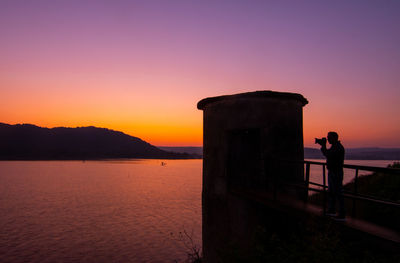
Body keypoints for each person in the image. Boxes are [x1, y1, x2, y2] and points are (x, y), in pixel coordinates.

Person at [318, 131, 346, 221]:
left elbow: (328, 155)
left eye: (329, 137)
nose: (327, 139)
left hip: (336, 172)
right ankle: (332, 210)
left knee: (338, 193)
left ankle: (341, 214)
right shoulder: (335, 147)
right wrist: (323, 146)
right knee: (332, 192)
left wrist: (323, 146)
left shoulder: (338, 148)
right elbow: (327, 154)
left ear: (334, 138)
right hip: (333, 172)